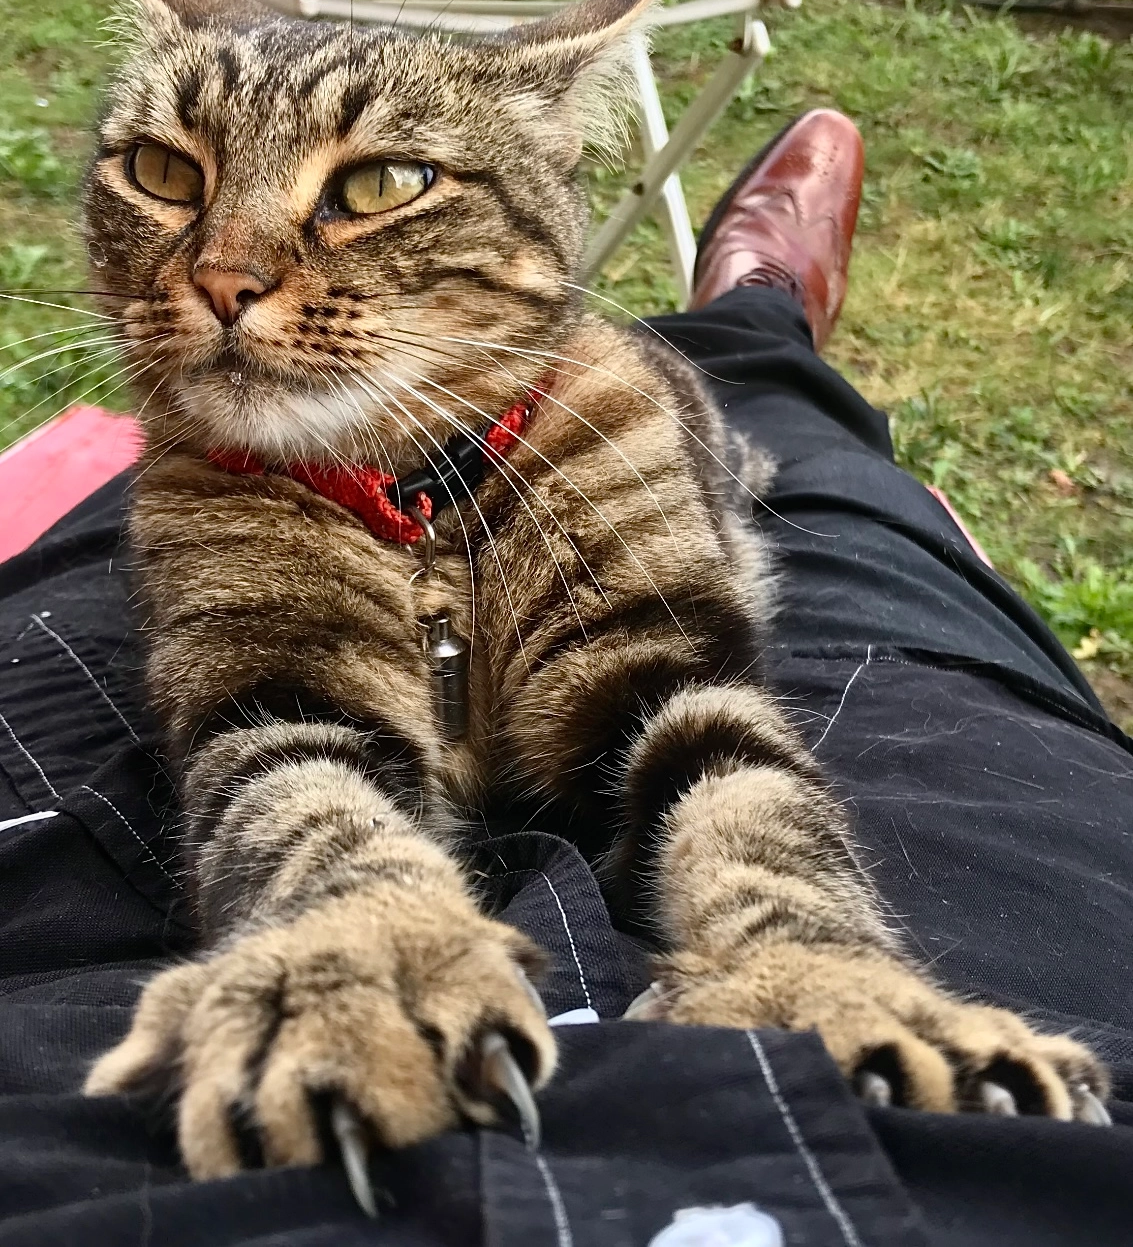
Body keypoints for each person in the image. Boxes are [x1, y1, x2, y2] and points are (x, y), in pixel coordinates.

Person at [0, 109, 1129, 1247]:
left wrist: (798, 949)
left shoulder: (600, 406)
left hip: (514, 408)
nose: (226, 270)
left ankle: (756, 313)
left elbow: (690, 724)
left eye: (376, 183)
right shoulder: (199, 452)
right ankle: (762, 320)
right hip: (248, 435)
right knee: (860, 526)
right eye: (165, 172)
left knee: (759, 443)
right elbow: (270, 736)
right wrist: (344, 912)